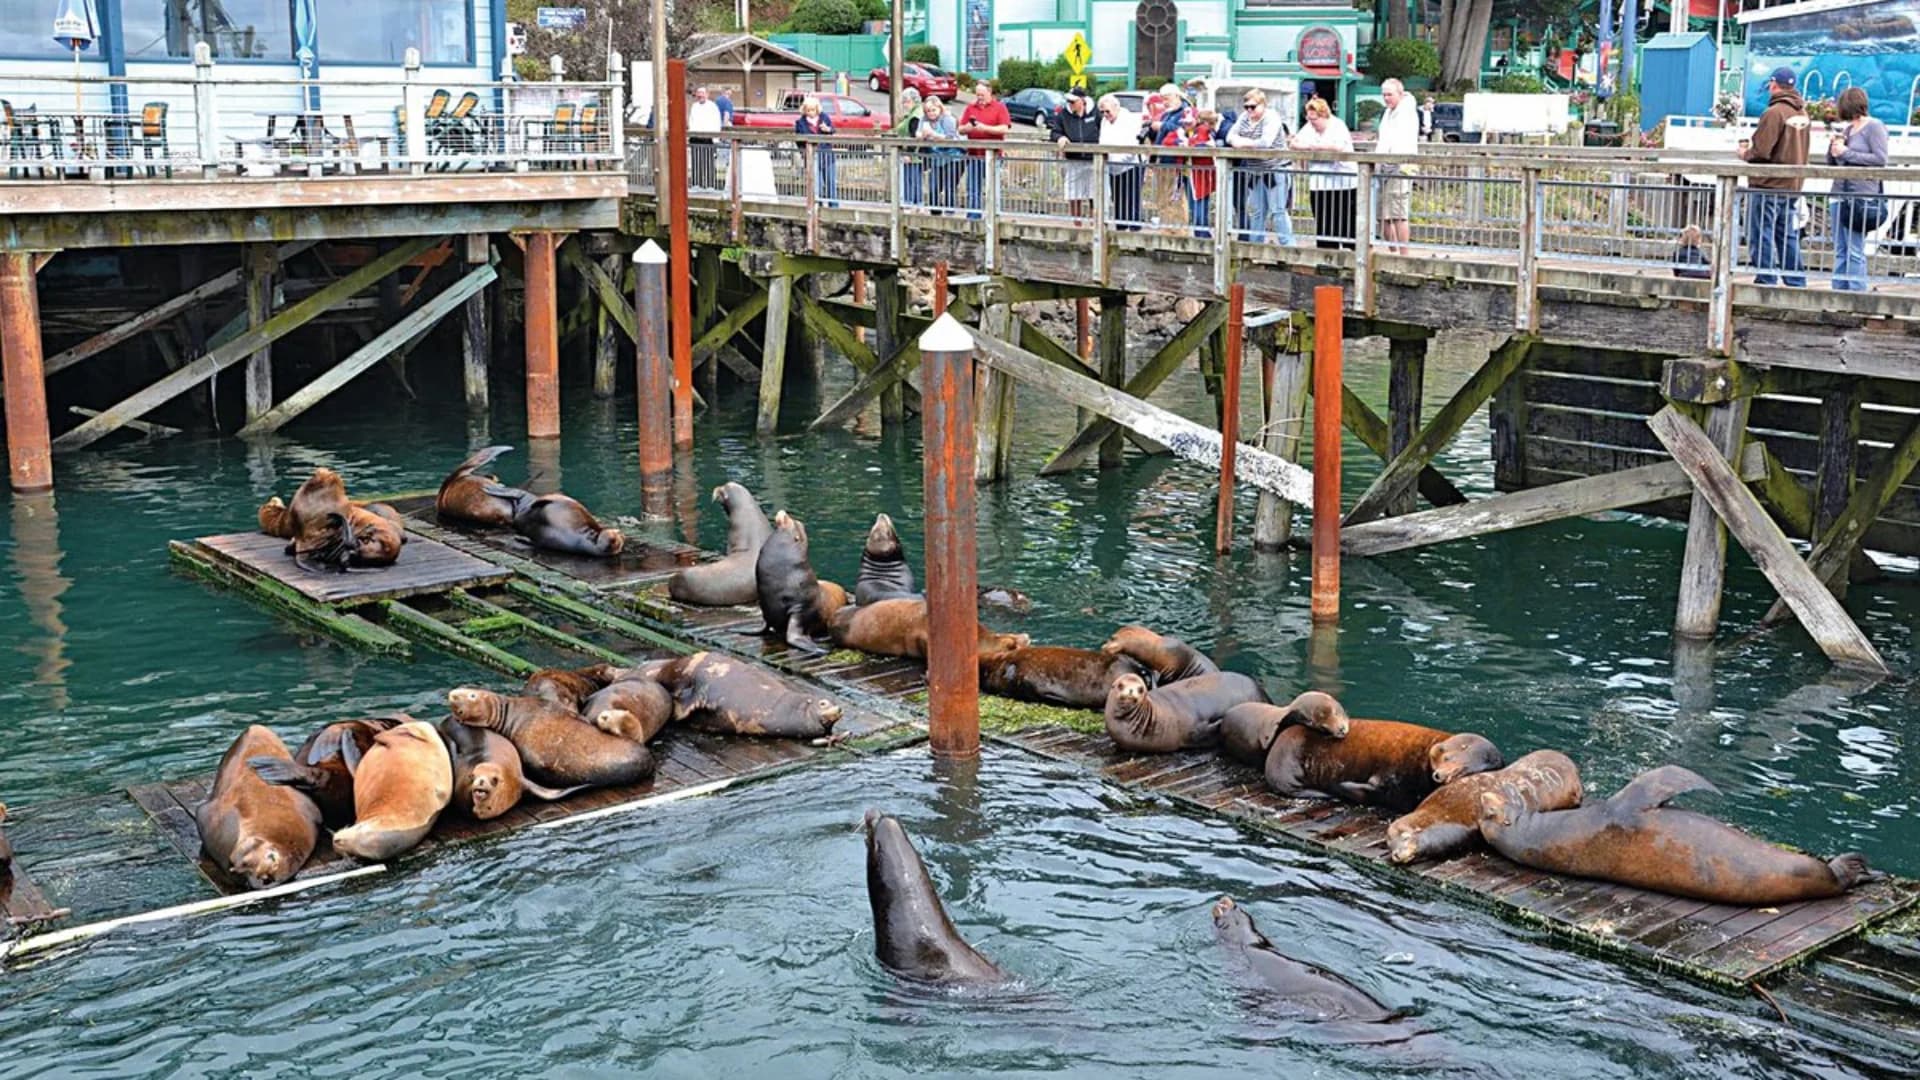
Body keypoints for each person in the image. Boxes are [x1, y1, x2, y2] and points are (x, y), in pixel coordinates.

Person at [1740, 67, 1810, 287]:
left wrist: (1745, 153)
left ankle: (1766, 276)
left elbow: (1761, 151)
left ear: (1773, 84)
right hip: (1792, 183)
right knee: (1787, 233)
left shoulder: (1774, 113)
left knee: (1761, 232)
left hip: (1768, 183)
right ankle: (1795, 278)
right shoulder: (1802, 113)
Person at [1827, 85, 1888, 292]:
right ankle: (1839, 293)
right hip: (1839, 194)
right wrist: (1833, 150)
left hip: (1861, 196)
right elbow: (1835, 164)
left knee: (1855, 249)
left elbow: (1880, 159)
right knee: (1840, 249)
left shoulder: (1875, 127)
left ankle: (1856, 293)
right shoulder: (1847, 129)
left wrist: (1846, 153)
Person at [1225, 87, 1290, 244]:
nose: (1249, 110)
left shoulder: (1271, 117)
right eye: (1246, 106)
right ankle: (1255, 247)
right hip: (1255, 170)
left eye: (1253, 107)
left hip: (1275, 169)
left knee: (1278, 211)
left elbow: (1265, 142)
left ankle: (1289, 248)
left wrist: (1241, 143)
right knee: (1256, 212)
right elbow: (1229, 136)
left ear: (1263, 105)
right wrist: (1244, 143)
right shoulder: (1244, 118)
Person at [1289, 97, 1356, 249]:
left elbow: (1337, 147)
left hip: (1343, 184)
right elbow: (1294, 143)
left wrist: (1311, 146)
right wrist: (1313, 147)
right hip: (1319, 184)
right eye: (1309, 118)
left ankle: (1350, 256)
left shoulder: (1338, 125)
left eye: (1315, 119)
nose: (1312, 122)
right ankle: (1326, 258)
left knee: (1346, 223)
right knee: (1323, 223)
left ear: (1324, 115)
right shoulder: (1309, 127)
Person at [1375, 78, 1419, 254]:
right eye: (1384, 95)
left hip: (1401, 166)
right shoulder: (1387, 113)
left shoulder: (1406, 111)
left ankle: (1404, 255)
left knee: (1398, 214)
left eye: (1389, 94)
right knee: (1383, 215)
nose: (1386, 98)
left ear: (1400, 94)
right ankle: (1392, 252)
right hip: (1384, 165)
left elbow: (1399, 140)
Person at [958, 80, 1010, 217]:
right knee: (973, 188)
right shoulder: (970, 108)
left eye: (982, 95)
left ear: (989, 93)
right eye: (977, 95)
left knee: (992, 188)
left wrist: (985, 128)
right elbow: (960, 129)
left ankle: (993, 216)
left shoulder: (1000, 107)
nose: (979, 98)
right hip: (974, 154)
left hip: (993, 156)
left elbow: (1004, 128)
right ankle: (973, 217)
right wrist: (968, 128)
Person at [1049, 85, 1102, 221]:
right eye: (1069, 101)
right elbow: (1054, 132)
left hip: (1093, 159)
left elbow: (1104, 130)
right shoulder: (1063, 115)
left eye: (1073, 101)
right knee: (1074, 194)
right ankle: (1076, 222)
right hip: (1073, 159)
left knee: (1094, 194)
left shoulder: (1095, 112)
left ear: (1082, 100)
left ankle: (1094, 222)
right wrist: (1060, 137)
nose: (1070, 104)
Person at [1163, 109, 1217, 238]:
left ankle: (1203, 236)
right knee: (1194, 207)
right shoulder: (1182, 131)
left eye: (1189, 122)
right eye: (1184, 122)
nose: (1186, 124)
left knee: (1200, 207)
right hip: (1187, 175)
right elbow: (1166, 141)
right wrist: (1178, 142)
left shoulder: (1202, 129)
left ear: (1196, 120)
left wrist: (1186, 143)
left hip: (1201, 175)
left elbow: (1199, 143)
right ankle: (1201, 234)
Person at [1098, 93, 1146, 230]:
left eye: (1107, 111)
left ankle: (1136, 233)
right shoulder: (1104, 121)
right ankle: (1121, 229)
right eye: (1102, 112)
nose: (1105, 114)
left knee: (1132, 199)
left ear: (1116, 107)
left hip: (1131, 165)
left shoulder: (1129, 120)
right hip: (1113, 167)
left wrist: (1113, 158)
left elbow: (1131, 146)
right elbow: (1102, 141)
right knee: (1118, 200)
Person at [919, 96, 962, 212]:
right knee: (933, 187)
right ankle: (935, 212)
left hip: (953, 157)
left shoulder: (947, 119)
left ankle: (949, 213)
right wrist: (923, 135)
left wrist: (933, 134)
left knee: (949, 187)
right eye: (928, 111)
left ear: (939, 108)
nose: (931, 113)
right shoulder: (924, 120)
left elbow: (950, 137)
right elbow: (918, 133)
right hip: (936, 158)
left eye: (933, 110)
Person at [794, 97, 837, 206]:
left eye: (813, 110)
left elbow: (833, 130)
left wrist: (828, 129)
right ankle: (818, 206)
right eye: (808, 110)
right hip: (811, 156)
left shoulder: (824, 117)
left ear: (817, 109)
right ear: (804, 110)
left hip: (827, 154)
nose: (811, 112)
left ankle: (834, 206)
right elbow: (798, 140)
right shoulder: (800, 122)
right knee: (816, 184)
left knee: (830, 182)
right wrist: (804, 153)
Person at [893, 87, 926, 207]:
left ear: (913, 101)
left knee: (911, 180)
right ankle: (916, 203)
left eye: (906, 102)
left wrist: (909, 154)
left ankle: (910, 203)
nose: (904, 104)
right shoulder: (915, 113)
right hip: (914, 153)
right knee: (914, 179)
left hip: (913, 154)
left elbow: (914, 135)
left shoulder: (915, 115)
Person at [688, 86, 723, 190]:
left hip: (708, 138)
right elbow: (691, 121)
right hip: (695, 137)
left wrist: (715, 139)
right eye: (698, 93)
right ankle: (696, 184)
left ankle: (710, 185)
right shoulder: (694, 106)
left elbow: (717, 122)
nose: (700, 95)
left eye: (702, 93)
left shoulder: (713, 106)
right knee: (696, 162)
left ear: (707, 94)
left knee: (708, 162)